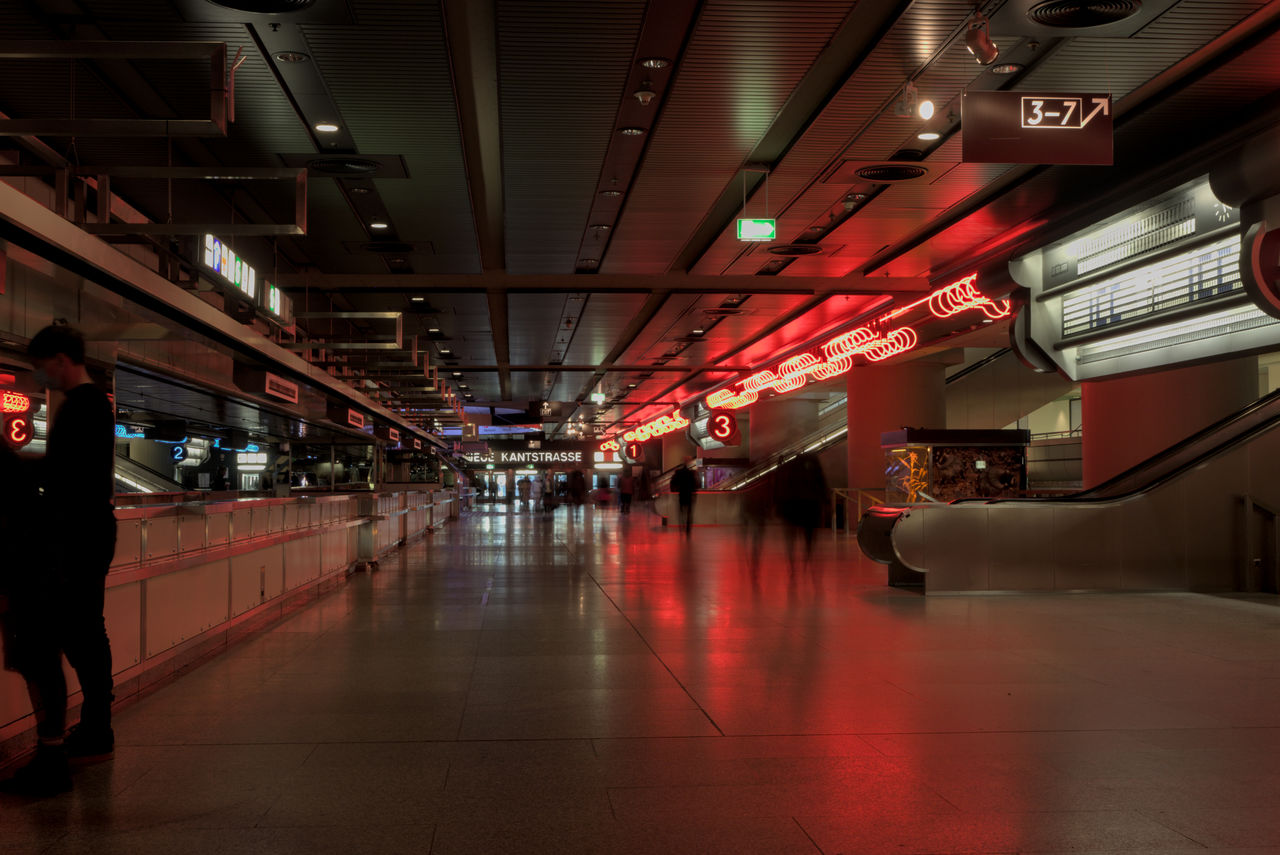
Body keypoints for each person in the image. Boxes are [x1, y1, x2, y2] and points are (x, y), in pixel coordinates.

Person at [0, 324, 118, 797]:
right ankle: (93, 729)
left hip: (78, 537)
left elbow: (66, 476)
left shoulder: (84, 407)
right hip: (88, 533)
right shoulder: (92, 407)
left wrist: (13, 464)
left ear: (63, 359)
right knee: (85, 632)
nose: (41, 373)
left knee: (79, 635)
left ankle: (92, 730)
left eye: (44, 363)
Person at [774, 452, 828, 574]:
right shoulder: (814, 469)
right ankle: (808, 558)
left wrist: (778, 504)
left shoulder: (788, 470)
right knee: (808, 535)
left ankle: (792, 562)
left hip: (793, 505)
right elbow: (822, 485)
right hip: (810, 506)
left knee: (791, 536)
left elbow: (780, 488)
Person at [670, 457, 698, 536]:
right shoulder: (691, 473)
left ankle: (682, 525)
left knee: (681, 512)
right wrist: (694, 493)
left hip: (681, 494)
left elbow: (673, 482)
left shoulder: (678, 472)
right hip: (689, 495)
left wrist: (674, 490)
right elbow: (695, 484)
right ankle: (688, 528)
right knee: (689, 513)